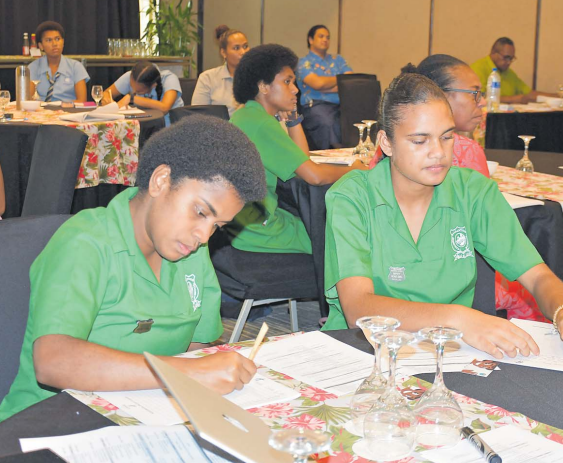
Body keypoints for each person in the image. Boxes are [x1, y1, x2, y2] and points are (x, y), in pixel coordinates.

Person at [0, 115, 267, 421]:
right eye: (200, 212)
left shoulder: (191, 252)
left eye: (217, 225)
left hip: (140, 413)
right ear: (160, 181)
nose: (204, 236)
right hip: (50, 423)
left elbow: (197, 347)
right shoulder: (86, 242)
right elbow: (53, 361)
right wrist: (184, 372)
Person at [322, 72, 563, 359]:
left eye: (447, 137)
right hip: (362, 351)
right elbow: (358, 307)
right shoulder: (353, 196)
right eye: (420, 141)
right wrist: (457, 319)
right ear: (386, 142)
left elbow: (538, 276)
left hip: (447, 354)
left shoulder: (472, 192)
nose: (438, 152)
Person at [228, 43, 365, 255]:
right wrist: (356, 169)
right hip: (257, 229)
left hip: (239, 222)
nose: (295, 89)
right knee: (338, 237)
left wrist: (292, 120)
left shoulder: (247, 115)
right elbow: (314, 176)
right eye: (287, 82)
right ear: (263, 86)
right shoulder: (262, 124)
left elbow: (301, 160)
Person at [369, 55, 489, 177]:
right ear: (440, 95)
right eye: (474, 93)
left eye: (447, 138)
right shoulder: (468, 150)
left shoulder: (393, 141)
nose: (483, 102)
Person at [471, 37, 563, 104]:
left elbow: (530, 94)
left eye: (511, 59)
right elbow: (478, 97)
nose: (509, 62)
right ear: (493, 53)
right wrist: (514, 99)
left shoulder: (509, 73)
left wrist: (561, 95)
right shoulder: (478, 68)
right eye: (506, 57)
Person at [296, 25, 353, 150]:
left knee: (357, 117)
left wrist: (324, 85)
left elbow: (349, 80)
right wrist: (338, 80)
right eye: (321, 36)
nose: (325, 39)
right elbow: (317, 83)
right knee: (327, 122)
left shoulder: (338, 59)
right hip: (316, 105)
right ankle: (335, 151)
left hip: (342, 105)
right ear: (310, 40)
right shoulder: (303, 63)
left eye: (328, 37)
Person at [101, 61, 184, 125]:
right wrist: (107, 100)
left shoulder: (169, 79)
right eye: (132, 87)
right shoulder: (131, 76)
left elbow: (165, 108)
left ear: (153, 85)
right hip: (143, 126)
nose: (134, 91)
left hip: (171, 125)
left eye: (139, 91)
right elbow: (107, 93)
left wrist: (132, 98)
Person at [191, 25, 249, 117]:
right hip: (218, 125)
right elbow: (197, 116)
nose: (243, 52)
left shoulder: (259, 77)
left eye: (245, 46)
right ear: (223, 53)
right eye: (236, 48)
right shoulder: (208, 78)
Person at [28, 21, 89, 103]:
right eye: (49, 40)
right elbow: (28, 100)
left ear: (63, 42)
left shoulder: (76, 67)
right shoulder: (33, 68)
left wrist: (60, 106)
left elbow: (82, 101)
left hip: (68, 109)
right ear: (41, 46)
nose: (54, 44)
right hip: (41, 109)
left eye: (57, 39)